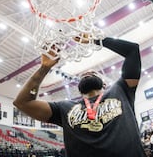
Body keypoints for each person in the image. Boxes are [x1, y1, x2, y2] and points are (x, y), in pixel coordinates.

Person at [14, 37, 146, 157]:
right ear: (78, 88)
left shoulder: (121, 89)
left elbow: (132, 50)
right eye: (83, 75)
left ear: (104, 84)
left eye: (93, 72)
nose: (87, 72)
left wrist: (95, 39)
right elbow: (22, 102)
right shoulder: (64, 107)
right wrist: (44, 68)